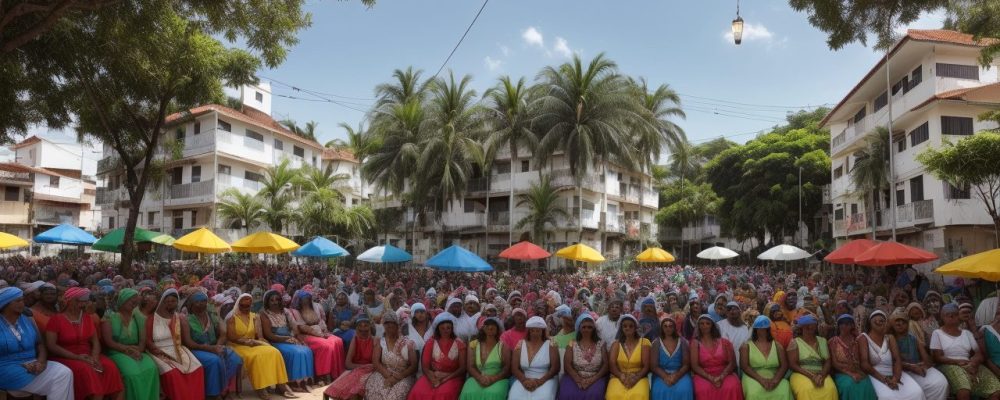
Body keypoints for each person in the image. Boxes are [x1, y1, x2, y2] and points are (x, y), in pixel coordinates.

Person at [45, 286, 125, 400]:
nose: (83, 305)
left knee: (110, 367)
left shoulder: (87, 318)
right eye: (79, 301)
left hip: (88, 355)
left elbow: (95, 342)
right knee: (87, 371)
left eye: (85, 301)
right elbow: (51, 345)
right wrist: (76, 357)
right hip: (65, 356)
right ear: (70, 301)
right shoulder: (56, 320)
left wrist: (95, 357)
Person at [0, 287, 74, 400]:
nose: (22, 303)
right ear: (5, 304)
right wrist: (22, 365)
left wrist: (41, 362)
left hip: (33, 363)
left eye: (22, 300)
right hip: (7, 367)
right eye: (18, 301)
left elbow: (40, 344)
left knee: (65, 372)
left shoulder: (27, 319)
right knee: (58, 379)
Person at [226, 293, 294, 400]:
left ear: (251, 305)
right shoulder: (232, 318)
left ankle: (281, 385)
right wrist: (246, 342)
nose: (245, 308)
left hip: (253, 343)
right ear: (238, 305)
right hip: (237, 345)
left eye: (248, 306)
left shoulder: (255, 317)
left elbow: (260, 336)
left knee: (274, 351)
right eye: (243, 306)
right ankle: (260, 388)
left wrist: (263, 343)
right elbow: (231, 337)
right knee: (257, 356)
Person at [930, 303, 1000, 400]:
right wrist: (958, 362)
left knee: (996, 390)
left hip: (969, 363)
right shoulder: (937, 333)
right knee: (964, 390)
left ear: (959, 316)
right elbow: (938, 357)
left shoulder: (966, 333)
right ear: (942, 317)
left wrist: (973, 363)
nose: (951, 316)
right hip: (948, 364)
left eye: (955, 314)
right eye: (947, 314)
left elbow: (978, 354)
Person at [182, 291, 244, 399]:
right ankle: (213, 394)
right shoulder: (186, 319)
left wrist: (217, 346)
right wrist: (210, 349)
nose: (201, 304)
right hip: (196, 349)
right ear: (191, 305)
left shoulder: (212, 316)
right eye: (197, 302)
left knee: (235, 359)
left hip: (214, 347)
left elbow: (223, 334)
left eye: (203, 301)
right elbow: (188, 342)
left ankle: (224, 388)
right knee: (214, 361)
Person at [101, 287, 160, 400]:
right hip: (116, 351)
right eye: (130, 300)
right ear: (122, 300)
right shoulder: (109, 316)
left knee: (151, 368)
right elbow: (109, 342)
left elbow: (142, 341)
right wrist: (127, 350)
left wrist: (138, 350)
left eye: (135, 300)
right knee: (132, 374)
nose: (134, 303)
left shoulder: (138, 317)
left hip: (136, 349)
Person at [146, 288, 205, 400]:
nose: (170, 303)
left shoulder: (179, 318)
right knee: (173, 373)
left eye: (173, 301)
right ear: (162, 302)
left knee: (197, 368)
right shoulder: (152, 318)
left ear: (177, 302)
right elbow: (148, 340)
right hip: (157, 350)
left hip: (177, 348)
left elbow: (185, 339)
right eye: (167, 301)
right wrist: (155, 350)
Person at [856, 310, 924, 400]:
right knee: (887, 397)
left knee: (916, 392)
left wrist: (895, 378)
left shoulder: (889, 338)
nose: (879, 321)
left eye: (882, 320)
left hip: (894, 373)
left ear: (886, 324)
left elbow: (897, 360)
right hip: (874, 375)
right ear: (870, 322)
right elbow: (864, 364)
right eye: (876, 318)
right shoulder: (863, 337)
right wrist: (884, 380)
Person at [289, 289, 345, 385]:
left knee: (338, 340)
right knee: (325, 345)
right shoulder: (295, 311)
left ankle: (335, 372)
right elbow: (302, 327)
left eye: (308, 299)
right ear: (299, 301)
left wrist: (324, 332)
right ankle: (322, 374)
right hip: (304, 335)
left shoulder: (314, 307)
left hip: (319, 332)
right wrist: (319, 335)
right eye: (304, 299)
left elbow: (320, 322)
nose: (306, 301)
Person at [889, 309, 946, 400]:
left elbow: (927, 361)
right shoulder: (889, 339)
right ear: (892, 325)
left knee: (940, 383)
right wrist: (911, 367)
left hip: (917, 367)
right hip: (900, 371)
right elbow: (892, 361)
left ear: (908, 324)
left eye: (903, 322)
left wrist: (922, 364)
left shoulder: (913, 339)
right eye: (897, 322)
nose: (900, 324)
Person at [408, 313, 467, 400]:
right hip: (434, 375)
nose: (445, 331)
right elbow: (425, 367)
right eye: (442, 328)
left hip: (454, 376)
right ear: (438, 329)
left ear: (452, 328)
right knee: (418, 391)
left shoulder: (459, 343)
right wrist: (433, 379)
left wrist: (446, 377)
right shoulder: (431, 342)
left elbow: (462, 368)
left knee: (444, 393)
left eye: (448, 328)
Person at [366, 311, 417, 400]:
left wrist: (398, 377)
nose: (389, 326)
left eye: (392, 323)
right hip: (384, 373)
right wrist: (388, 376)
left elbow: (414, 365)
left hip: (403, 376)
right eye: (386, 323)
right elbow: (376, 362)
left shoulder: (407, 343)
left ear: (397, 325)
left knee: (393, 397)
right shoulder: (380, 341)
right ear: (383, 326)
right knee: (376, 394)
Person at [690, 314, 743, 400]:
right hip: (703, 374)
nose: (704, 326)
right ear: (698, 326)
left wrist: (721, 377)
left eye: (708, 323)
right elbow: (695, 366)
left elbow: (732, 362)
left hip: (724, 373)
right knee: (702, 389)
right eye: (702, 323)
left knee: (732, 386)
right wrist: (710, 378)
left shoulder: (724, 342)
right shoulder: (695, 344)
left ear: (712, 326)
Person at [740, 315, 792, 400]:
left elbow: (784, 365)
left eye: (766, 329)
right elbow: (745, 367)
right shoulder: (746, 347)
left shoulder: (777, 346)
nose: (764, 331)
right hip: (753, 376)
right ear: (755, 330)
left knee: (784, 387)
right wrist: (761, 380)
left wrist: (775, 380)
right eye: (760, 328)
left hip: (774, 376)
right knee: (753, 392)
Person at [787, 314, 837, 400]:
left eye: (812, 326)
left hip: (821, 373)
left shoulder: (822, 341)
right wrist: (812, 376)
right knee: (806, 389)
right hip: (801, 373)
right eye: (807, 326)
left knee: (831, 389)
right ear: (802, 328)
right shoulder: (794, 342)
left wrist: (821, 375)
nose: (810, 328)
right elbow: (793, 364)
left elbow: (827, 361)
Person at [325, 315, 376, 400]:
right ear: (356, 329)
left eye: (366, 326)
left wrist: (365, 367)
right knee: (339, 391)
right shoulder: (355, 340)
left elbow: (375, 364)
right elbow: (348, 364)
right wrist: (363, 367)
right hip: (357, 370)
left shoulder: (375, 340)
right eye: (360, 326)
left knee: (356, 391)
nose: (363, 329)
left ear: (370, 327)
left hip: (370, 372)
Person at [508, 316, 559, 400]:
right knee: (514, 396)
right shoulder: (520, 344)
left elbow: (555, 368)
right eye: (532, 330)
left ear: (542, 331)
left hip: (546, 379)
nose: (535, 333)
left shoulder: (551, 344)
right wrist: (524, 380)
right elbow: (514, 368)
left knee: (544, 397)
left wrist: (539, 382)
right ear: (528, 331)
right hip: (524, 379)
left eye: (538, 330)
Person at [829, 314, 876, 400]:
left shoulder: (857, 341)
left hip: (858, 371)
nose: (844, 326)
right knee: (849, 385)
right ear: (838, 326)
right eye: (842, 323)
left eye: (848, 323)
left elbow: (861, 359)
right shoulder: (833, 341)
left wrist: (857, 372)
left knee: (866, 384)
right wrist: (850, 374)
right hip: (841, 373)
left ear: (852, 326)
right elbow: (835, 364)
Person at [461, 317, 510, 400]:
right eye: (487, 328)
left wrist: (493, 378)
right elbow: (470, 366)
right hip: (477, 377)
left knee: (495, 393)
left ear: (497, 330)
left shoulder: (503, 346)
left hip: (498, 379)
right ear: (483, 329)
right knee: (468, 392)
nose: (490, 330)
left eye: (493, 328)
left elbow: (506, 367)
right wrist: (480, 378)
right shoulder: (473, 345)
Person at [606, 314, 651, 400]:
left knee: (639, 395)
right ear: (621, 328)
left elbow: (646, 366)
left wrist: (636, 378)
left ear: (635, 328)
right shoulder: (616, 344)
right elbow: (612, 364)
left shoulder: (644, 342)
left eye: (631, 326)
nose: (628, 328)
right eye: (625, 326)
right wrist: (621, 376)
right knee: (613, 395)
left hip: (639, 376)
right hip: (619, 376)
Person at [651, 317, 693, 400]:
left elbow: (686, 364)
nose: (668, 328)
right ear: (661, 328)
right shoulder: (656, 343)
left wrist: (676, 376)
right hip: (661, 374)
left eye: (670, 326)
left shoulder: (683, 341)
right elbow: (654, 366)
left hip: (680, 373)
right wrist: (665, 377)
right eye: (665, 326)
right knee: (659, 390)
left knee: (685, 389)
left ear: (674, 327)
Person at [718, 301, 750, 367]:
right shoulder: (720, 325)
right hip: (725, 363)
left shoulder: (744, 327)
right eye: (729, 309)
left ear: (739, 311)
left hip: (743, 362)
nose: (732, 311)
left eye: (735, 309)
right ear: (726, 312)